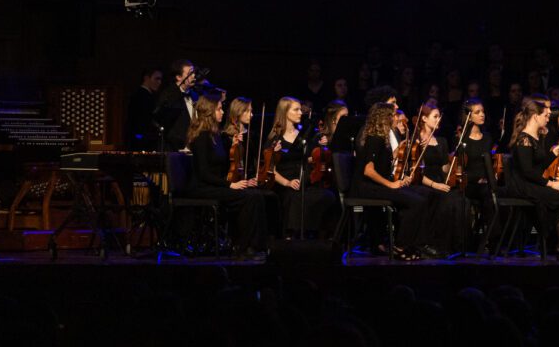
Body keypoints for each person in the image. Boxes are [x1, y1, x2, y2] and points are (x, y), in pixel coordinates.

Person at [184, 88, 266, 256]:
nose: (222, 112)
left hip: (215, 185)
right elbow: (204, 173)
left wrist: (233, 145)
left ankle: (256, 246)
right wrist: (231, 185)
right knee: (247, 198)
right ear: (209, 111)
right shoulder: (201, 137)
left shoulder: (216, 136)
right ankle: (242, 246)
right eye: (219, 108)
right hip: (202, 188)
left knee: (256, 195)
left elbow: (223, 163)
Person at [355, 100, 432, 260]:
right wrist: (391, 184)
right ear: (384, 118)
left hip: (377, 185)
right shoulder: (375, 138)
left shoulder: (382, 139)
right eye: (393, 116)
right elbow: (368, 171)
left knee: (423, 195)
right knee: (415, 202)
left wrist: (402, 150)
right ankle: (401, 245)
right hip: (368, 187)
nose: (396, 119)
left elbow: (384, 163)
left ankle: (412, 243)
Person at [503, 97, 559, 260]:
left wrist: (555, 152)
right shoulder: (524, 139)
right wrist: (551, 184)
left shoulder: (535, 137)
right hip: (521, 186)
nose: (549, 115)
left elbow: (538, 167)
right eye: (546, 112)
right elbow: (527, 172)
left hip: (530, 183)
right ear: (535, 115)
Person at [264, 96, 338, 239]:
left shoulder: (305, 135)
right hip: (285, 184)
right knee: (295, 198)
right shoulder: (275, 138)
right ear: (285, 112)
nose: (300, 113)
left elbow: (310, 159)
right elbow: (270, 168)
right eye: (296, 110)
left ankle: (319, 235)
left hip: (304, 180)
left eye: (300, 110)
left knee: (327, 196)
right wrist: (287, 182)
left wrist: (321, 147)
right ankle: (290, 235)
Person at [409, 100, 472, 256]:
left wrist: (455, 159)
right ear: (424, 119)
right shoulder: (416, 142)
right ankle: (436, 244)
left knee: (462, 199)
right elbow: (415, 172)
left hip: (440, 182)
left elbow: (444, 168)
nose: (439, 119)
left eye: (439, 116)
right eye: (435, 116)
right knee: (445, 200)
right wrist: (435, 185)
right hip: (425, 183)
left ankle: (458, 246)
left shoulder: (442, 141)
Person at [157, 59, 199, 150]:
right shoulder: (169, 95)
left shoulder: (194, 94)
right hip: (176, 148)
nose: (194, 76)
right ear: (179, 77)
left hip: (193, 146)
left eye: (193, 73)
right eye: (190, 73)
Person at [126, 67, 163, 149]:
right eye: (157, 79)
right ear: (146, 78)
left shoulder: (145, 95)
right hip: (142, 142)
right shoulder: (141, 96)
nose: (159, 82)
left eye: (160, 79)